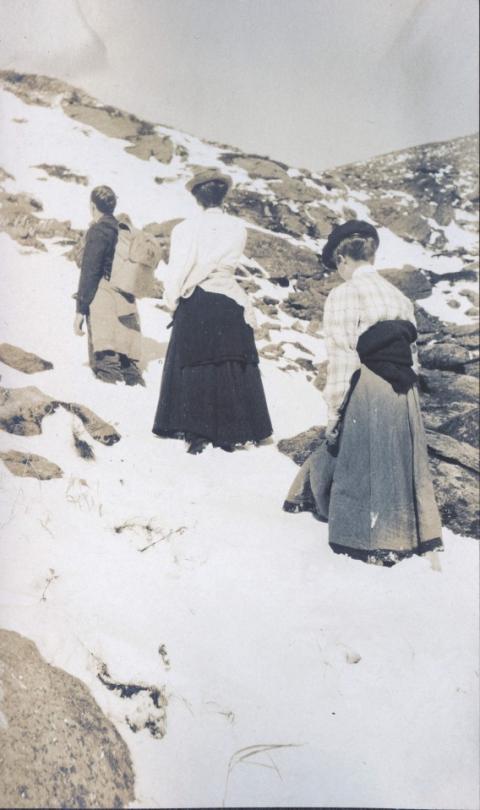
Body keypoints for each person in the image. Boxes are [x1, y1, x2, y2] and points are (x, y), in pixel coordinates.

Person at [283, 220, 443, 567]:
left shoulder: (345, 294)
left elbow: (343, 359)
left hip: (366, 384)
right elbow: (412, 357)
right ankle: (410, 533)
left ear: (342, 258)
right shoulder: (399, 296)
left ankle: (367, 540)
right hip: (403, 390)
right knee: (397, 462)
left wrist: (334, 413)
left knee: (361, 462)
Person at [153, 168, 272, 453]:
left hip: (198, 300)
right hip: (230, 299)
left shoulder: (185, 229)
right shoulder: (238, 227)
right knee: (228, 361)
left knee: (196, 362)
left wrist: (173, 301)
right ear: (223, 196)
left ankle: (196, 429)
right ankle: (234, 429)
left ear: (197, 198)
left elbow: (179, 270)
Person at [74, 186, 144, 386]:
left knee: (106, 363)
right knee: (128, 363)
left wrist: (80, 309)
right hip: (126, 300)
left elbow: (90, 272)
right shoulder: (123, 229)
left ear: (92, 206)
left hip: (103, 298)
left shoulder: (98, 230)